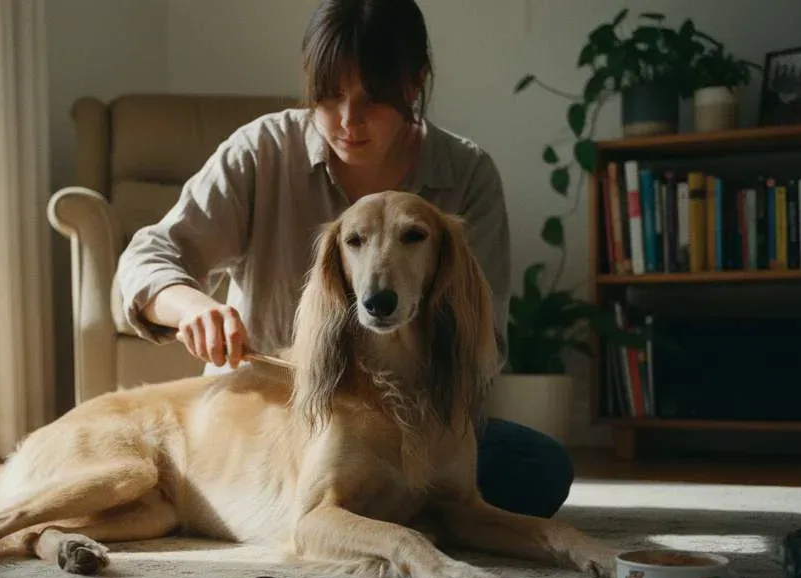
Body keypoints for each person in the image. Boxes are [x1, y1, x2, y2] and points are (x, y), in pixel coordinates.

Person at [113, 0, 573, 519]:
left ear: (414, 82)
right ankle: (344, 506)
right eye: (330, 97)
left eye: (372, 99)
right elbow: (147, 257)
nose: (348, 122)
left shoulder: (466, 175)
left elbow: (485, 341)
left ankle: (363, 505)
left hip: (418, 413)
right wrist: (191, 307)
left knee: (539, 467)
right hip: (276, 417)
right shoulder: (262, 152)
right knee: (373, 487)